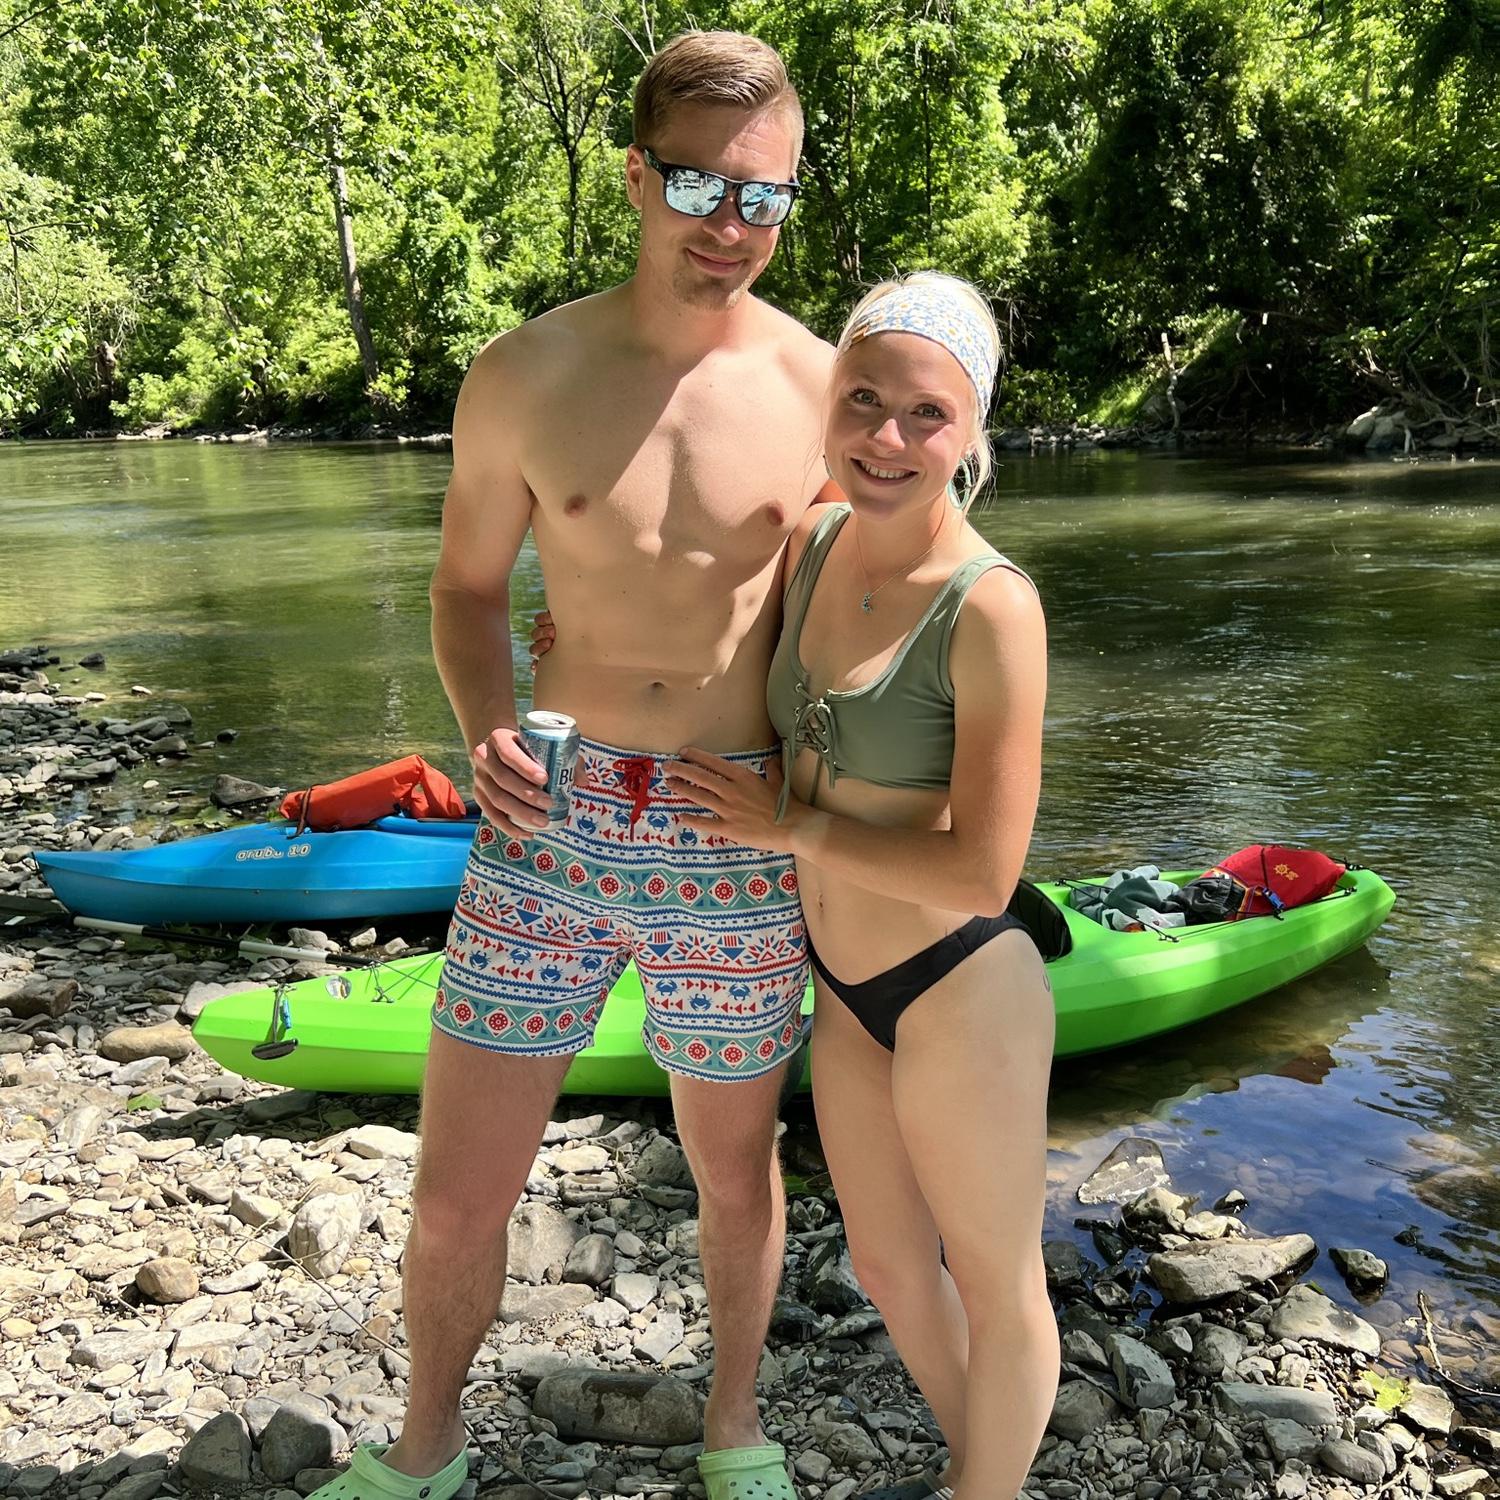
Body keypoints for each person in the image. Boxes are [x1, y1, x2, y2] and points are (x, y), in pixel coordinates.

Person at [307, 31, 834, 1500]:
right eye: (701, 185)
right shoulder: (522, 373)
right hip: (550, 819)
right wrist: (484, 721)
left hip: (735, 829)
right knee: (456, 1191)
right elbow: (469, 587)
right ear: (638, 179)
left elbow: (896, 606)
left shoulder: (823, 386)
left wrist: (841, 809)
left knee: (735, 1173)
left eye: (765, 196)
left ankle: (734, 1430)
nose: (731, 224)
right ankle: (425, 1451)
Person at [656, 272, 1059, 1500]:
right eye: (866, 400)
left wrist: (791, 829)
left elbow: (984, 872)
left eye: (928, 414)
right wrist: (582, 646)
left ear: (972, 432)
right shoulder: (818, 543)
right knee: (888, 1268)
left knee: (998, 1281)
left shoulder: (992, 609)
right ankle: (977, 1470)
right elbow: (710, 643)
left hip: (958, 985)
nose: (889, 437)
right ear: (830, 401)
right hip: (844, 987)